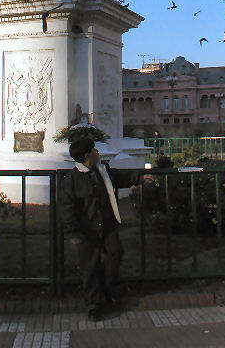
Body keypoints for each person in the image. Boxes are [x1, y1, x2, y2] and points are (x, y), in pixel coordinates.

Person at [59, 137, 144, 321]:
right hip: (86, 230)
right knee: (90, 267)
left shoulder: (102, 170)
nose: (98, 152)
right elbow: (67, 208)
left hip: (107, 225)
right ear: (87, 155)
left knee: (115, 254)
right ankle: (94, 305)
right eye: (94, 150)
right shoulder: (72, 179)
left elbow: (121, 179)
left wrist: (140, 178)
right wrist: (72, 233)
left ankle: (105, 291)